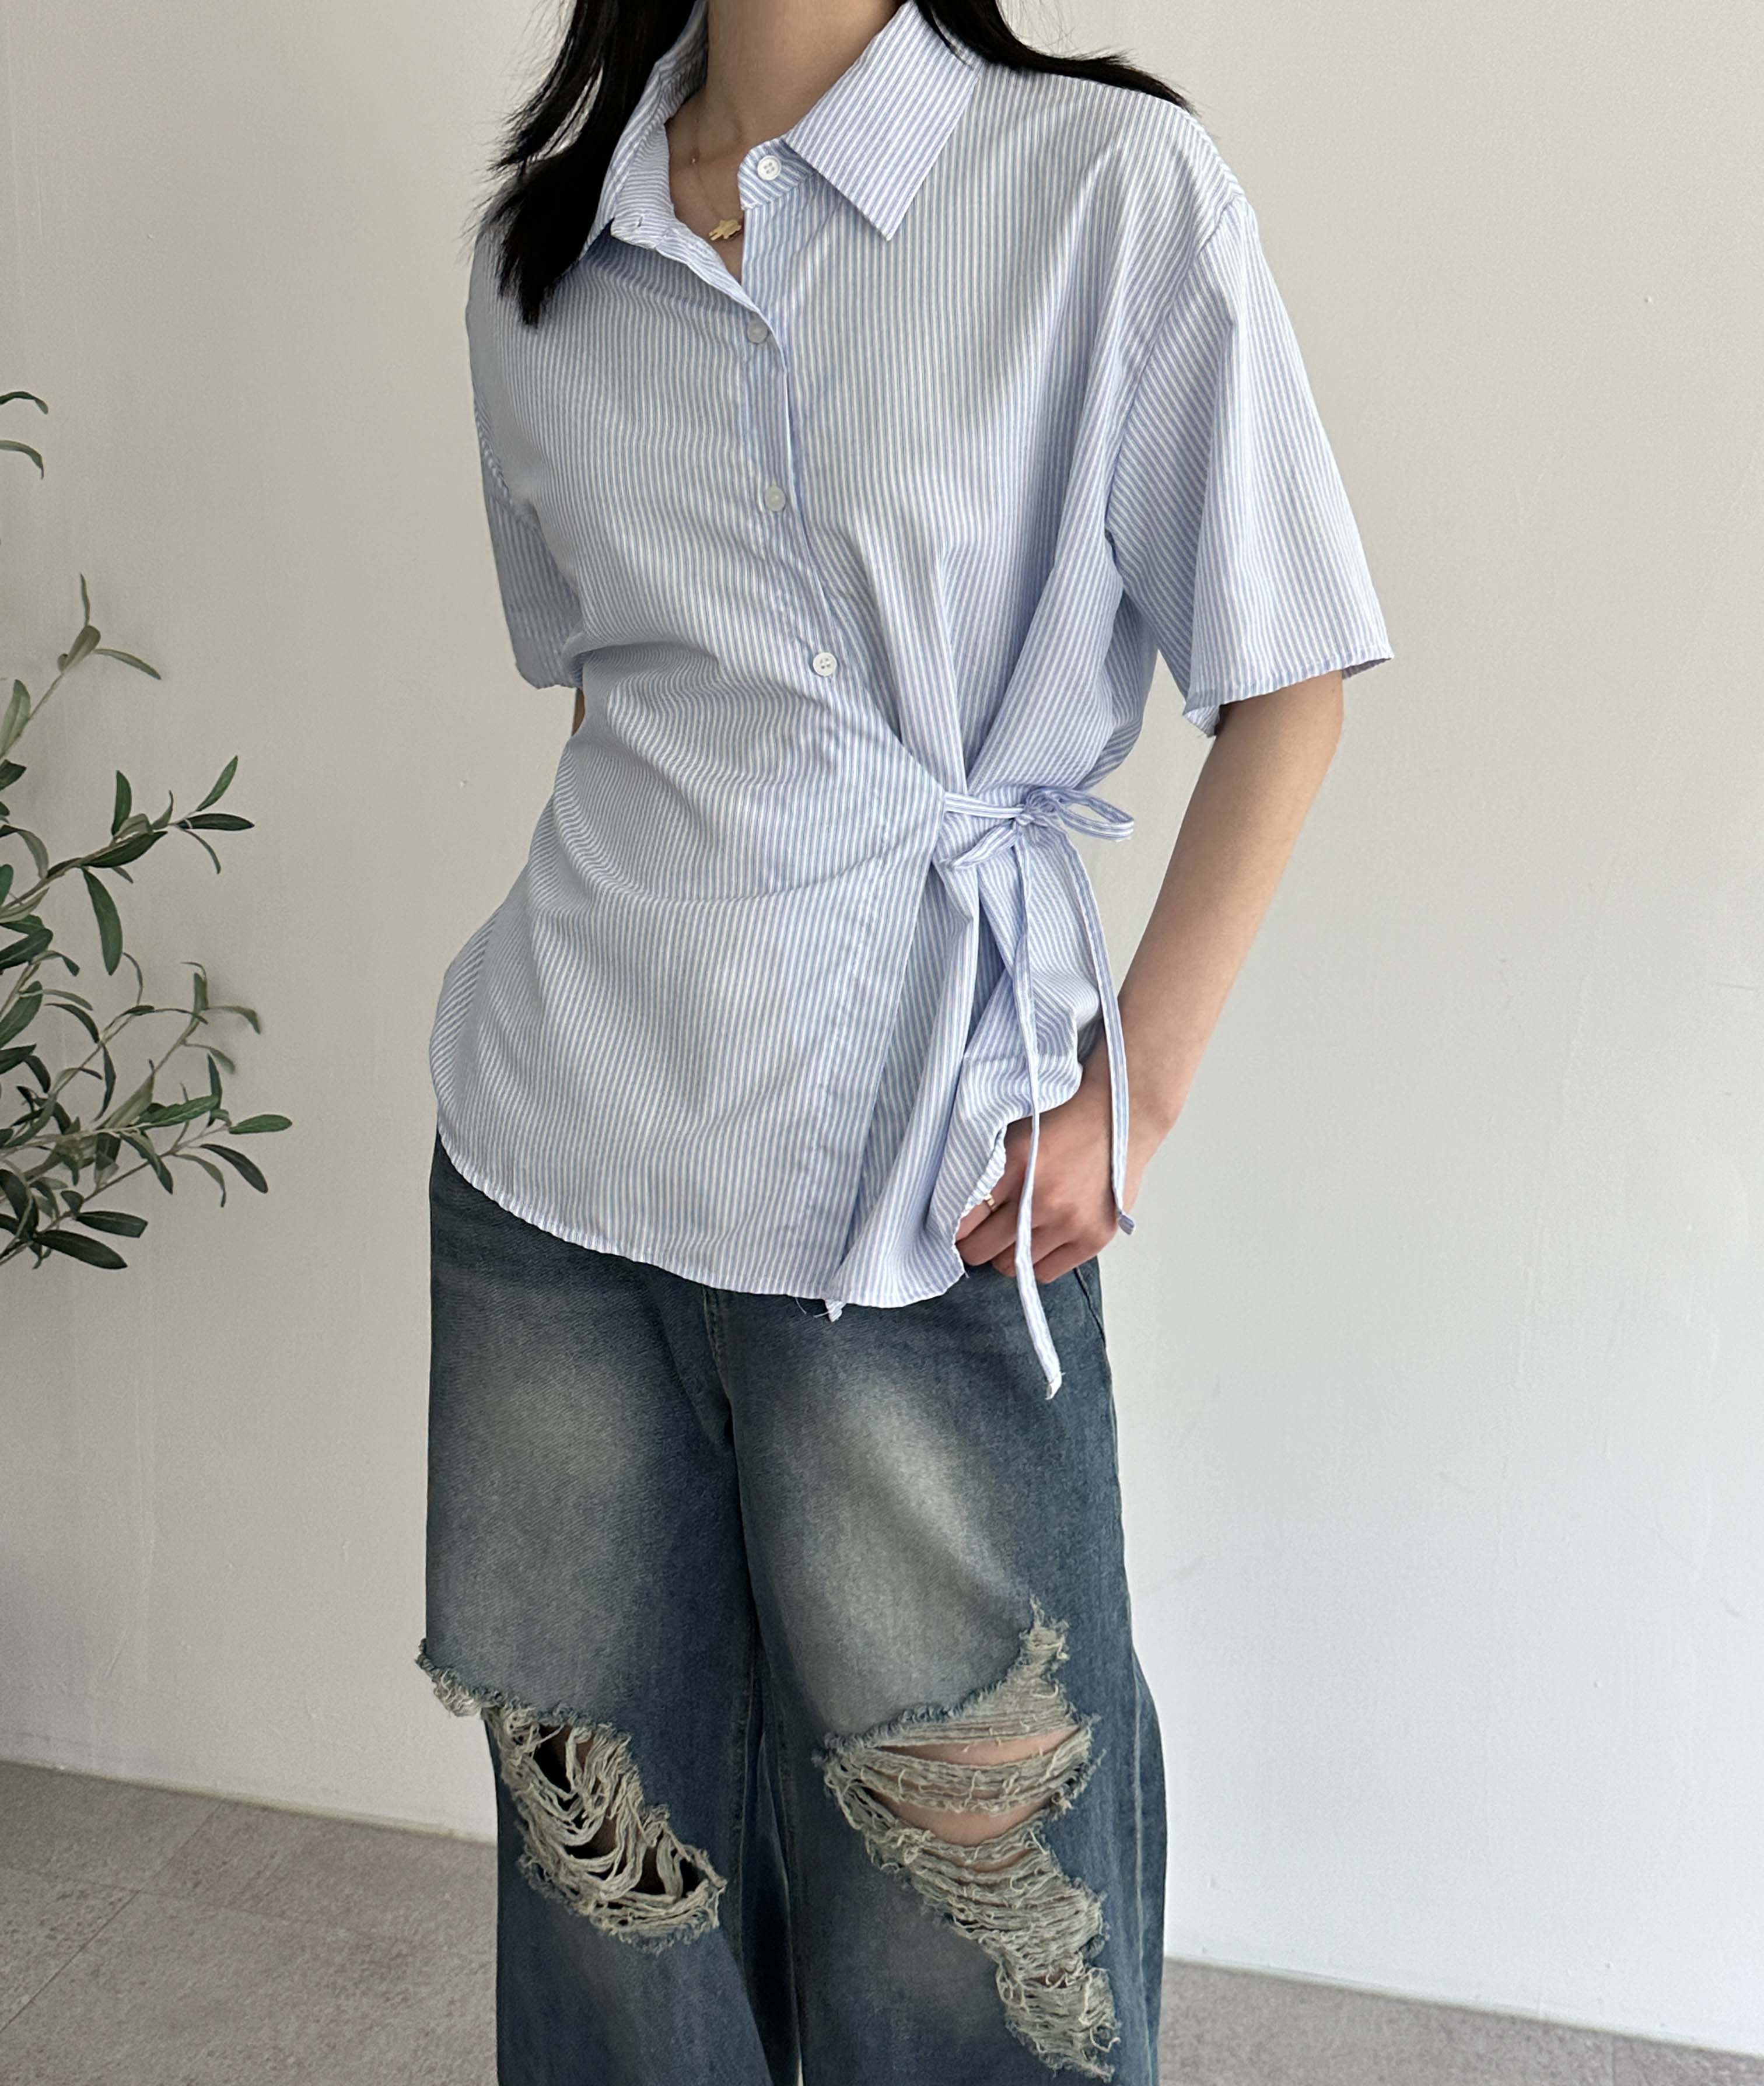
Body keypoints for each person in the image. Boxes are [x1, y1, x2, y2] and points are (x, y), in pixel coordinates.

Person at [417, 1, 1393, 2079]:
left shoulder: (1101, 188)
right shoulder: (547, 249)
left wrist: (1134, 1101)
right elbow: (613, 696)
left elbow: (1289, 676)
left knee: (979, 1924)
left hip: (924, 1178)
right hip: (557, 1162)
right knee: (610, 1892)